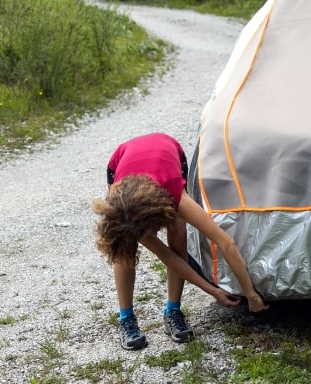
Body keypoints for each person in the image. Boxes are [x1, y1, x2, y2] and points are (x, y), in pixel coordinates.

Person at [93, 132, 267, 350]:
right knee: (124, 246)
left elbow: (226, 243)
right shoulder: (119, 202)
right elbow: (165, 256)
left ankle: (173, 310)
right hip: (123, 159)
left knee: (178, 232)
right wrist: (213, 291)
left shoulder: (176, 195)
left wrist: (251, 295)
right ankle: (126, 317)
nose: (152, 234)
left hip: (168, 153)